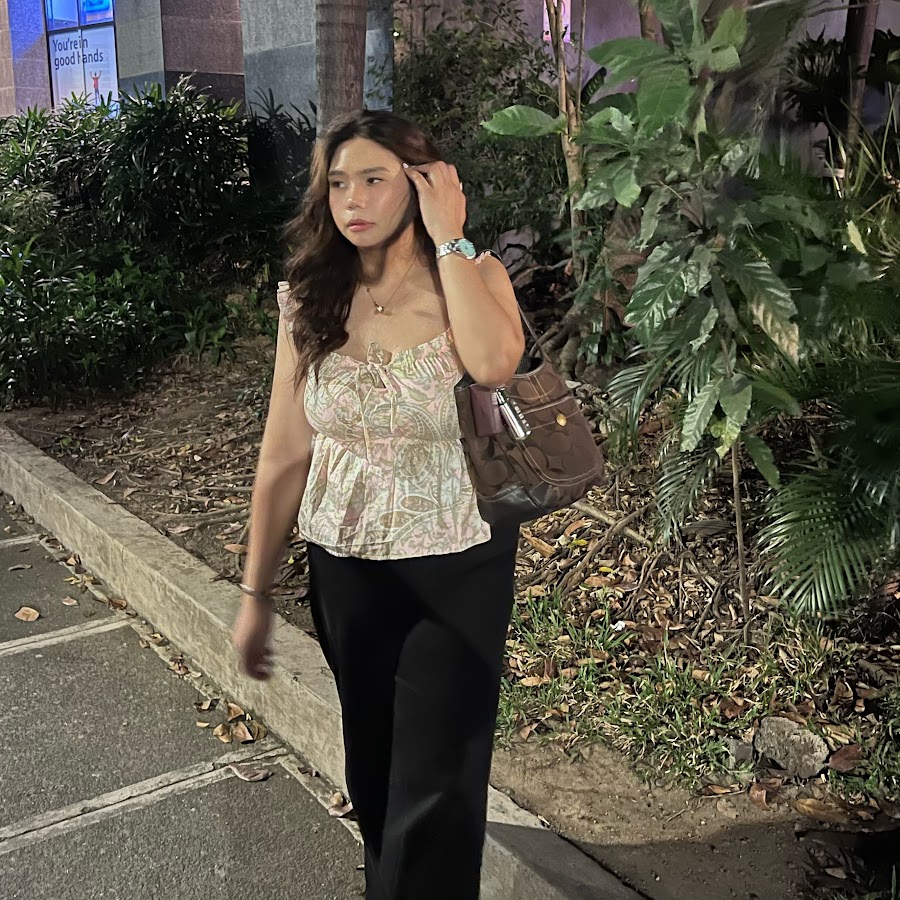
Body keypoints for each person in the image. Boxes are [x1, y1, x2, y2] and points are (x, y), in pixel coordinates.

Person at [231, 109, 526, 900]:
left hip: (458, 562)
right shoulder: (310, 300)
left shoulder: (473, 276)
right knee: (374, 766)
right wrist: (255, 594)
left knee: (439, 782)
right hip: (345, 569)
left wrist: (449, 235)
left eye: (374, 179)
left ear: (424, 183)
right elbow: (283, 453)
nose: (353, 200)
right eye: (338, 184)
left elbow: (495, 364)